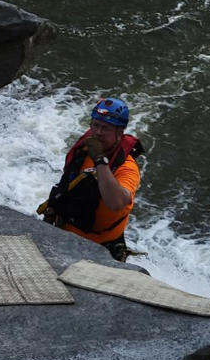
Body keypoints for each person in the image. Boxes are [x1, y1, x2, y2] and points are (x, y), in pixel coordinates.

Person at [38, 97, 143, 262]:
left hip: (101, 247)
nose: (98, 132)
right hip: (65, 232)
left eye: (105, 128)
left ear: (120, 132)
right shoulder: (87, 146)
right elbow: (68, 182)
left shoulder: (127, 167)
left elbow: (116, 203)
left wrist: (100, 160)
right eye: (95, 125)